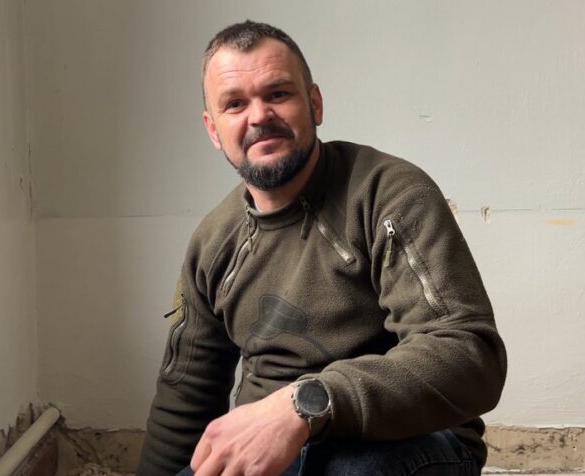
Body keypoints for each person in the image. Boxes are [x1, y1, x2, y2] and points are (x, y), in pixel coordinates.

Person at [138, 20, 507, 476]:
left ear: (314, 103)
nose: (259, 116)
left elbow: (470, 356)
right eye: (235, 104)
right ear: (214, 130)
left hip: (406, 444)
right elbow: (184, 398)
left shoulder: (389, 195)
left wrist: (305, 403)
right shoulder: (213, 242)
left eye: (278, 94)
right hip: (276, 460)